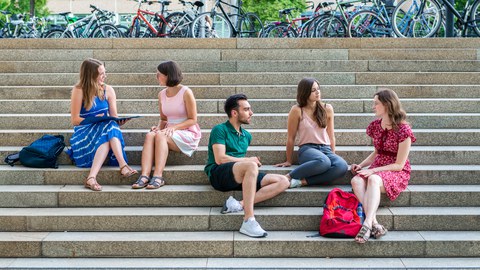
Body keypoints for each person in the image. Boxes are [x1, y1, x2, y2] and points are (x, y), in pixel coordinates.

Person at [205, 94, 290, 238]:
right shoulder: (219, 129)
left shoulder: (246, 135)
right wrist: (248, 161)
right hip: (218, 174)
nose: (251, 113)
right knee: (251, 165)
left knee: (283, 181)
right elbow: (220, 159)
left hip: (238, 174)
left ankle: (239, 204)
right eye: (246, 109)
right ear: (234, 113)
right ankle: (248, 220)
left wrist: (248, 162)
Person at [350, 88, 416, 244]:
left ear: (387, 105)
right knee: (356, 181)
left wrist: (373, 170)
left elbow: (399, 165)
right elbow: (376, 153)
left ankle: (366, 223)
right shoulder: (375, 126)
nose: (373, 107)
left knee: (372, 179)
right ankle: (374, 223)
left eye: (376, 103)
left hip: (395, 170)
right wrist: (360, 165)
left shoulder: (403, 130)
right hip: (379, 166)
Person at [68, 58, 137, 191]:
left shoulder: (109, 90)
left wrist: (120, 122)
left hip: (105, 131)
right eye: (101, 73)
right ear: (90, 75)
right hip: (84, 135)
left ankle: (91, 177)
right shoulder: (79, 90)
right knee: (108, 126)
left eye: (105, 72)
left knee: (110, 124)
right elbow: (75, 120)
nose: (104, 76)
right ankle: (123, 166)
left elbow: (114, 117)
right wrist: (95, 118)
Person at [132, 61, 201, 189]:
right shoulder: (161, 94)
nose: (157, 77)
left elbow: (193, 119)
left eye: (159, 74)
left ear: (168, 75)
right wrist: (158, 128)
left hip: (186, 130)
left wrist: (173, 128)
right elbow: (164, 118)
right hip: (168, 130)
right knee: (150, 135)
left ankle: (158, 176)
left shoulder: (186, 92)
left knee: (160, 136)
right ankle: (145, 175)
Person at [275, 78, 348, 188]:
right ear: (305, 92)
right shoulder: (297, 110)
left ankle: (302, 182)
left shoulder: (327, 108)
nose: (317, 92)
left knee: (342, 166)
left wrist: (332, 153)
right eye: (313, 90)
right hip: (307, 149)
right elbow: (291, 137)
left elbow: (331, 136)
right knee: (324, 162)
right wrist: (289, 160)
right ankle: (288, 177)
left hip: (325, 149)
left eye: (318, 89)